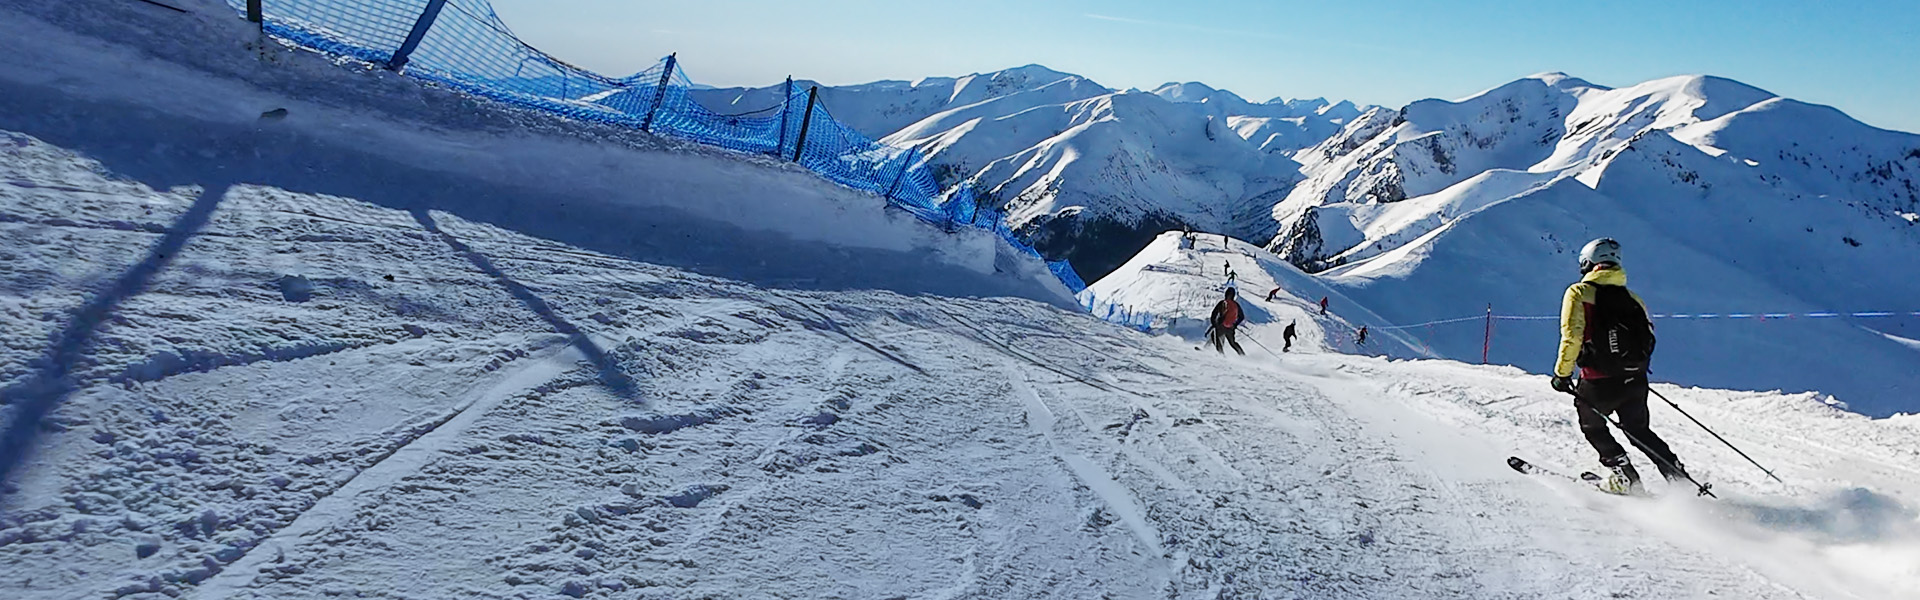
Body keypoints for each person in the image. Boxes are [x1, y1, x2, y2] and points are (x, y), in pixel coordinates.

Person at [1550, 238, 1686, 494]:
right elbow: (1649, 334)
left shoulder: (1578, 292)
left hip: (1598, 380)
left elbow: (1573, 336)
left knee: (1593, 426)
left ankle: (1626, 478)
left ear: (1588, 263)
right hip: (1635, 380)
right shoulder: (1633, 298)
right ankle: (1679, 478)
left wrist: (1562, 374)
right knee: (1639, 430)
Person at [1208, 288, 1247, 355]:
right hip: (1230, 327)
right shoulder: (1236, 305)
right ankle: (1242, 355)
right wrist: (1235, 324)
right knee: (1232, 343)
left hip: (1221, 325)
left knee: (1215, 337)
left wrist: (1214, 323)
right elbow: (1241, 317)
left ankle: (1221, 354)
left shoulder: (1223, 302)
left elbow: (1214, 313)